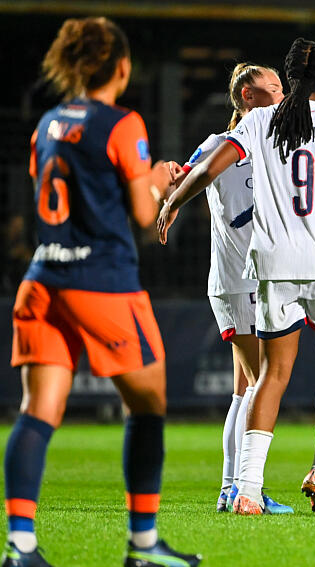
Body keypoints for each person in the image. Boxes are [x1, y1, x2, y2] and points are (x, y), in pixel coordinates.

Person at [157, 37, 315, 516]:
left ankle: (245, 488)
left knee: (269, 376)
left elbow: (205, 169)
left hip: (273, 264)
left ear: (290, 78)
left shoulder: (259, 121)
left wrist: (173, 201)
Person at [4, 17, 200, 567]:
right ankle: (143, 546)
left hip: (43, 280)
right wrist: (159, 178)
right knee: (149, 404)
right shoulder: (122, 123)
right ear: (122, 66)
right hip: (102, 283)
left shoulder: (47, 123)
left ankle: (20, 547)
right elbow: (142, 214)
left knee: (37, 411)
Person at [160, 63, 292, 513]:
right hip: (240, 281)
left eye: (283, 86)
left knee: (244, 388)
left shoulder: (276, 146)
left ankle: (229, 487)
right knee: (260, 382)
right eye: (272, 87)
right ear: (247, 97)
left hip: (259, 280)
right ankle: (242, 488)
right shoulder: (221, 145)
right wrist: (171, 183)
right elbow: (183, 175)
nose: (282, 93)